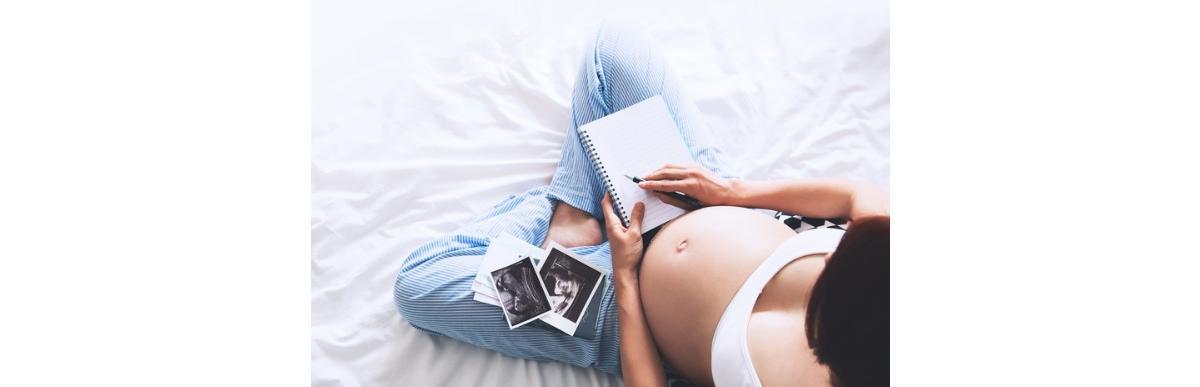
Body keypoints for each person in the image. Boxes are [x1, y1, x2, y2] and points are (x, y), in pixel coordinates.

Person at [394, 21, 890, 387]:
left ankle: (566, 211)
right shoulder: (888, 260)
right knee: (614, 50)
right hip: (683, 195)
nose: (830, 257)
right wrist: (730, 192)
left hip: (611, 303)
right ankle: (573, 213)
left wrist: (625, 274)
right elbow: (855, 196)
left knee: (421, 281)